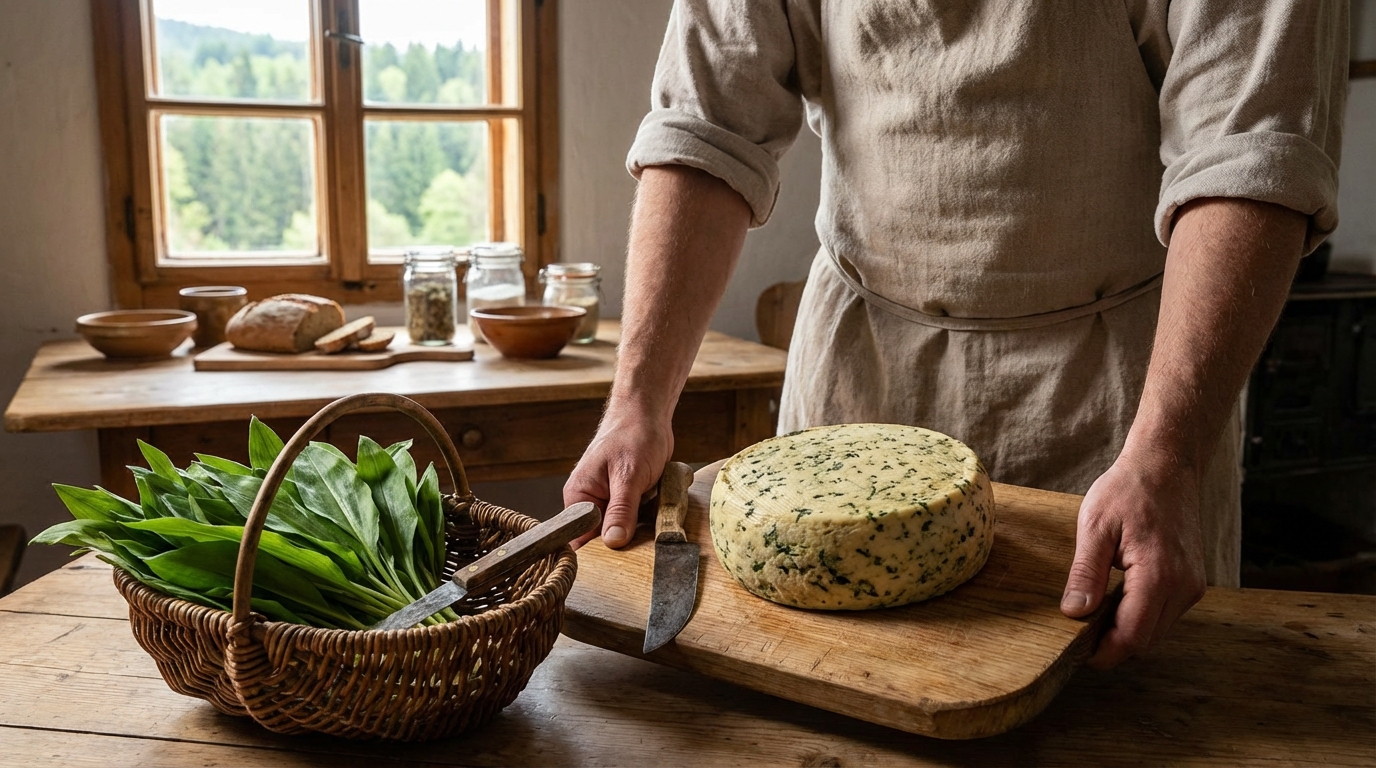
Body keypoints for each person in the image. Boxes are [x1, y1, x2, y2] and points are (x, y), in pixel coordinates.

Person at [564, 1, 1349, 668]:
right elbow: (707, 125)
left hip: (1123, 402)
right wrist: (638, 401)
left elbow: (1249, 152)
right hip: (860, 373)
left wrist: (1167, 452)